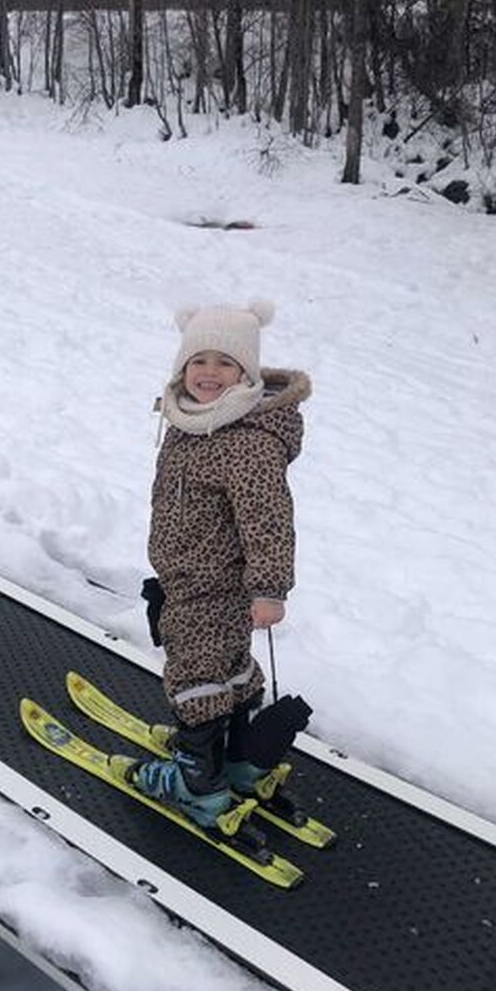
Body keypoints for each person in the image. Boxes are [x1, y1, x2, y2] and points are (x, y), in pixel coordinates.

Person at [130, 300, 312, 847]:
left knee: (196, 681)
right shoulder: (192, 420)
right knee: (230, 672)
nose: (209, 373)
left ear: (247, 374)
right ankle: (236, 765)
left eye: (225, 364)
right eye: (198, 361)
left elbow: (269, 520)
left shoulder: (247, 441)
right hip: (190, 581)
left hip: (214, 589)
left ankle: (197, 786)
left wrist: (270, 589)